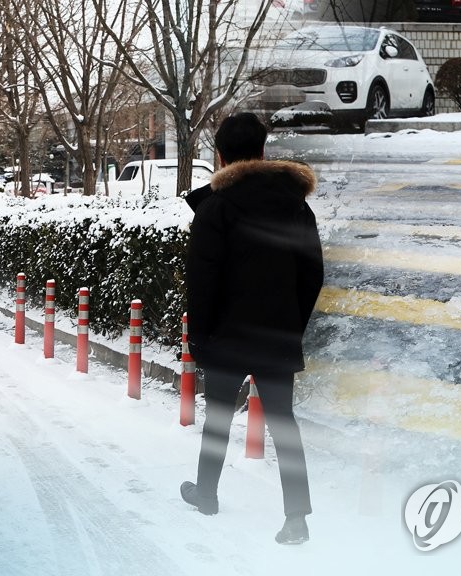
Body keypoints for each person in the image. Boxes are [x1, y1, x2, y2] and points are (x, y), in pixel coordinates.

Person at [180, 112, 324, 546]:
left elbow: (201, 281)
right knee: (285, 423)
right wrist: (289, 326)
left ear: (220, 156)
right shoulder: (297, 205)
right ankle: (296, 517)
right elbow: (312, 274)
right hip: (276, 336)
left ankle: (206, 494)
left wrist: (200, 339)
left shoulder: (216, 209)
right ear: (263, 152)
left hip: (225, 337)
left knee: (218, 418)